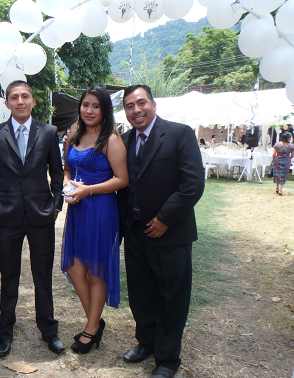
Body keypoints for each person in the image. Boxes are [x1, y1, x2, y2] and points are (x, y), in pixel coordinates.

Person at [117, 85, 204, 378]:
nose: (136, 110)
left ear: (153, 104)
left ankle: (167, 359)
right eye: (129, 106)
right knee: (141, 293)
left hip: (171, 234)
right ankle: (146, 343)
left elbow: (192, 184)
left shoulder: (180, 134)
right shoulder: (125, 140)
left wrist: (166, 218)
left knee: (172, 296)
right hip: (136, 233)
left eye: (141, 103)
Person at [0, 80, 65, 357]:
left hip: (41, 214)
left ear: (33, 101)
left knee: (43, 277)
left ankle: (49, 331)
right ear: (7, 103)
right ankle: (5, 334)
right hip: (7, 215)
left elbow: (57, 171)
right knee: (9, 278)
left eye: (25, 96)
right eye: (14, 97)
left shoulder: (49, 131)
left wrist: (56, 204)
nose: (20, 101)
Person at [61, 87, 128, 354]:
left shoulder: (111, 140)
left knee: (95, 271)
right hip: (76, 208)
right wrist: (68, 184)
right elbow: (67, 168)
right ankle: (95, 320)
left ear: (104, 111)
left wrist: (87, 190)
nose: (89, 111)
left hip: (100, 209)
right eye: (85, 105)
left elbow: (122, 179)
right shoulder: (74, 136)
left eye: (96, 106)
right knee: (75, 269)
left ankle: (90, 329)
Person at [270, 132, 294, 196]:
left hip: (277, 159)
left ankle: (277, 188)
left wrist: (273, 159)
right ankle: (280, 190)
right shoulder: (291, 146)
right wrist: (288, 158)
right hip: (286, 160)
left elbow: (273, 154)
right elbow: (292, 155)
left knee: (277, 174)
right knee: (283, 175)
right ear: (289, 138)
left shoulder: (277, 145)